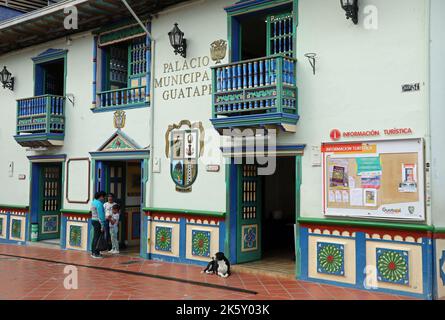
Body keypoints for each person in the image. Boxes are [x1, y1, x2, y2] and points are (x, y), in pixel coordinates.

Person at [90, 191, 106, 258]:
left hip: (93, 220)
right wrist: (102, 225)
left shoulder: (93, 202)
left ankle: (94, 252)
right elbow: (101, 215)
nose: (104, 198)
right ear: (101, 196)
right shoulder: (99, 204)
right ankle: (95, 253)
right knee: (97, 237)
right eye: (103, 197)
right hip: (98, 222)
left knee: (95, 237)